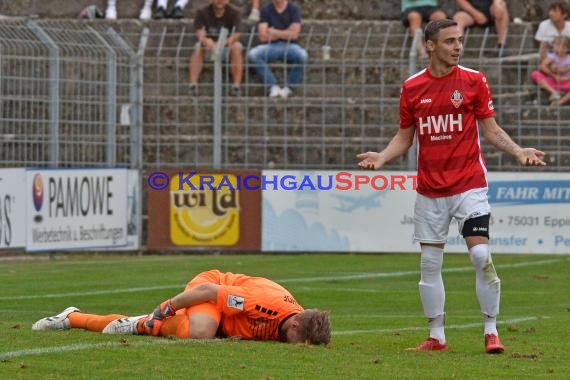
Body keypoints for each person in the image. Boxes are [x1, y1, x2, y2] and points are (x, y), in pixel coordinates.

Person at [356, 19, 546, 353]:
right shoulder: (413, 87)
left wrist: (518, 150)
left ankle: (491, 330)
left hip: (469, 184)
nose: (457, 47)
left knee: (480, 255)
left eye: (459, 40)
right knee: (429, 264)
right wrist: (383, 157)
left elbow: (490, 128)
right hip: (430, 191)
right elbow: (405, 136)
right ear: (430, 46)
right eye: (449, 41)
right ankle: (437, 337)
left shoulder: (474, 81)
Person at [31, 269, 331, 345]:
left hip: (225, 320)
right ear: (293, 325)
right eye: (299, 343)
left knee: (210, 334)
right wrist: (168, 307)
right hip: (210, 290)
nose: (296, 348)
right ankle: (75, 318)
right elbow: (209, 291)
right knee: (202, 332)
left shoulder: (296, 319)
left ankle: (72, 317)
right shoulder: (262, 305)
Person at [247, 0, 308, 99]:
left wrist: (272, 31)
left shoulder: (293, 9)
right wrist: (286, 32)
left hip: (290, 46)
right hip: (271, 47)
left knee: (303, 55)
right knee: (253, 54)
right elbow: (262, 36)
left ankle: (289, 88)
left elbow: (294, 35)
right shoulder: (266, 9)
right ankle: (272, 86)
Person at [188, 0, 243, 97]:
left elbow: (237, 35)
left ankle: (236, 86)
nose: (220, 1)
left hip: (227, 48)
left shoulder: (235, 13)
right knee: (198, 47)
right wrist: (206, 41)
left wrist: (221, 43)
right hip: (208, 48)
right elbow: (199, 32)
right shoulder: (202, 12)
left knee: (236, 47)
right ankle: (192, 85)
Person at [531, 36, 570, 106]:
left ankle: (559, 102)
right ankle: (554, 92)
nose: (554, 47)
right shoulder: (552, 56)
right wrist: (554, 75)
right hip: (554, 82)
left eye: (557, 45)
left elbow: (564, 70)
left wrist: (564, 78)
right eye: (554, 44)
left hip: (567, 82)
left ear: (566, 48)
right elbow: (542, 66)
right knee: (535, 74)